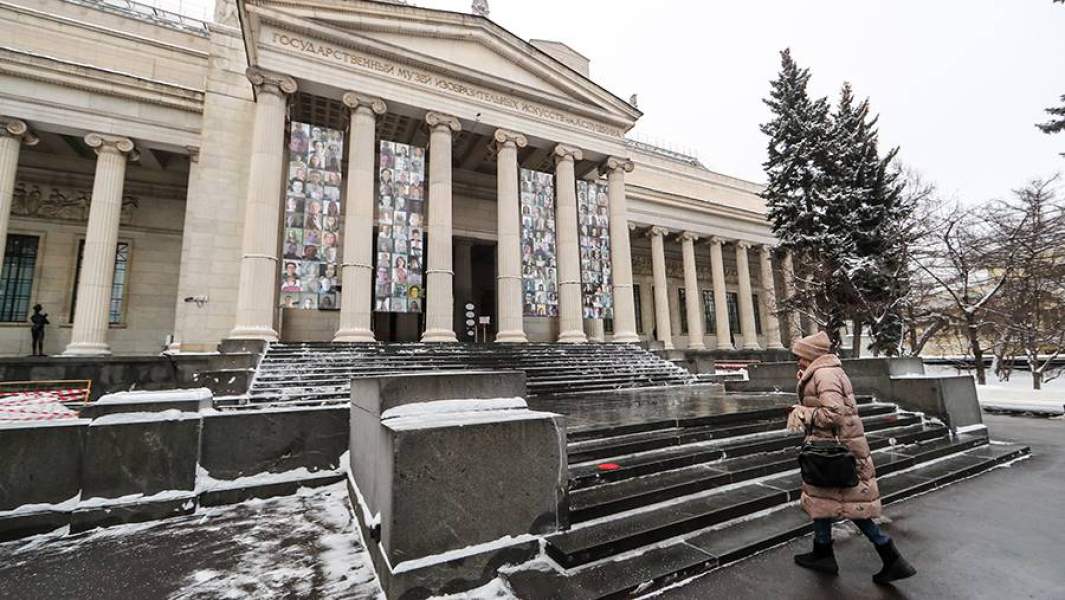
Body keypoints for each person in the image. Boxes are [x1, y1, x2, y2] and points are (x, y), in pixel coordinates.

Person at [786, 331, 917, 584]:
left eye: (800, 356)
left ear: (811, 356)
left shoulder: (824, 374)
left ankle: (891, 556)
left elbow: (833, 414)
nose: (798, 361)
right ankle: (822, 552)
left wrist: (803, 412)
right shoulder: (822, 372)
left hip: (834, 450)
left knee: (850, 505)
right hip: (826, 449)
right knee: (823, 499)